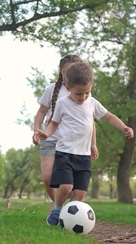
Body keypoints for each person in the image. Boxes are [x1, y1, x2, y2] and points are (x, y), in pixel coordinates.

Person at [35, 62, 134, 226]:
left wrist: (124, 126)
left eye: (87, 92)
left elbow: (108, 117)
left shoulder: (92, 103)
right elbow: (53, 124)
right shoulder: (62, 104)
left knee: (79, 194)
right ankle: (57, 209)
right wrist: (46, 133)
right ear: (68, 87)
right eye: (78, 93)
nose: (83, 97)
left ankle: (69, 222)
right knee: (66, 187)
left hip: (83, 155)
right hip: (65, 152)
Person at [32, 55, 99, 204]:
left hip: (73, 144)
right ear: (61, 72)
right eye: (64, 71)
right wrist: (36, 130)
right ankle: (60, 208)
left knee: (74, 182)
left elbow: (90, 121)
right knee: (48, 177)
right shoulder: (52, 89)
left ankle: (69, 212)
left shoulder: (83, 92)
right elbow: (42, 111)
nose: (67, 73)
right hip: (51, 139)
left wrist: (93, 144)